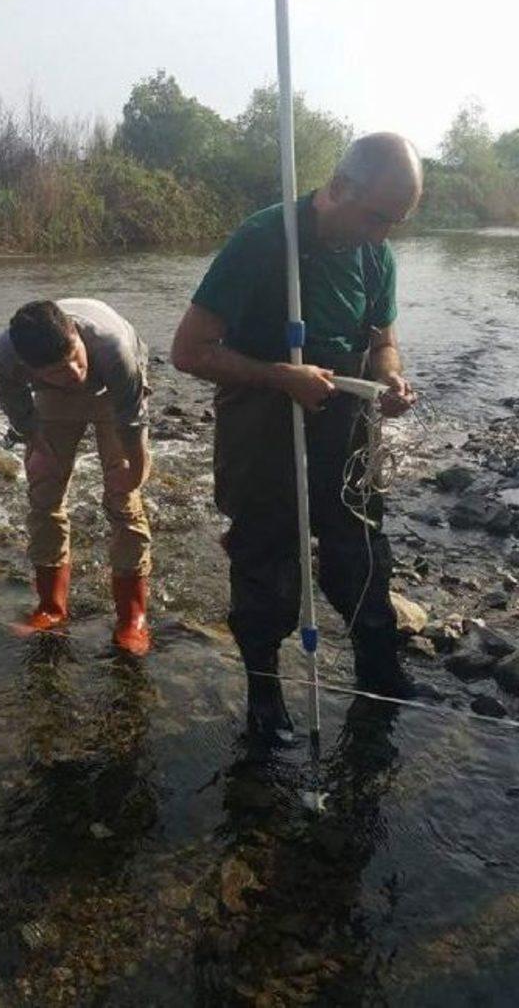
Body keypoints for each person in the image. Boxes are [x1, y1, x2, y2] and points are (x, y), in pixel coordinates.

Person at [172, 132, 425, 741]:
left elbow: (383, 343)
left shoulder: (374, 254)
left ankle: (378, 669)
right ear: (338, 189)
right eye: (375, 218)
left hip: (346, 424)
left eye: (394, 223)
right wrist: (279, 376)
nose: (382, 236)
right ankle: (265, 693)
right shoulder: (264, 240)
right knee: (265, 561)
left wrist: (390, 382)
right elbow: (188, 350)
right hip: (264, 420)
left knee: (360, 551)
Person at [0, 298, 152, 654]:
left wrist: (136, 472)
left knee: (123, 499)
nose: (75, 373)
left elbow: (133, 423)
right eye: (60, 370)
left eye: (74, 358)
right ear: (30, 368)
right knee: (44, 493)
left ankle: (132, 617)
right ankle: (51, 607)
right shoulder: (6, 358)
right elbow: (17, 407)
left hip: (113, 390)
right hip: (54, 400)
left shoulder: (113, 346)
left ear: (75, 334)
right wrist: (36, 444)